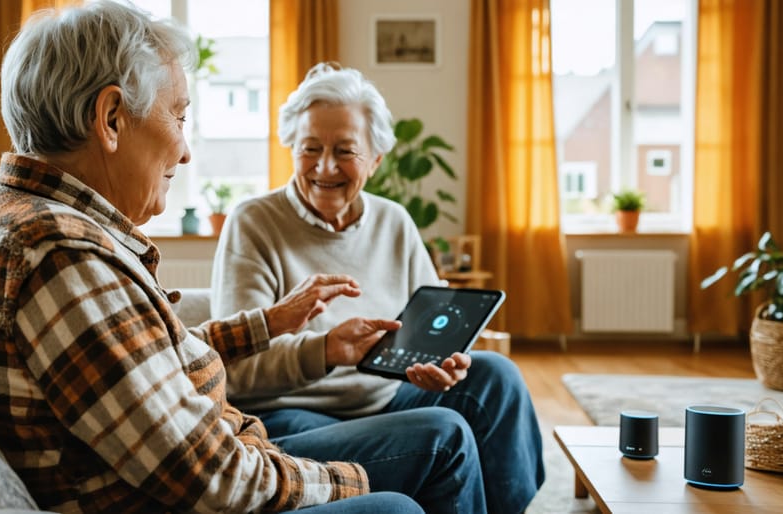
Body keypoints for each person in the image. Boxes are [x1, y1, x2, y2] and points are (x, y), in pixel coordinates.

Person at [0, 2, 485, 513]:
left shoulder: (17, 219)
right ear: (112, 118)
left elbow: (145, 359)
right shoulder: (59, 257)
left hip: (205, 456)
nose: (186, 150)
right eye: (179, 116)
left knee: (454, 424)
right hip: (184, 487)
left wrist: (267, 324)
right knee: (399, 506)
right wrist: (357, 482)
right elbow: (210, 478)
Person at [211, 62, 546, 514]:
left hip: (386, 396)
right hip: (290, 414)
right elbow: (237, 368)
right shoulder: (253, 222)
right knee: (444, 428)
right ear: (291, 147)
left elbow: (433, 324)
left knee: (496, 377)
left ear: (376, 159)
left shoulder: (393, 220)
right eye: (310, 148)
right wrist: (327, 349)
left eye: (345, 151)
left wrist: (445, 360)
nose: (324, 166)